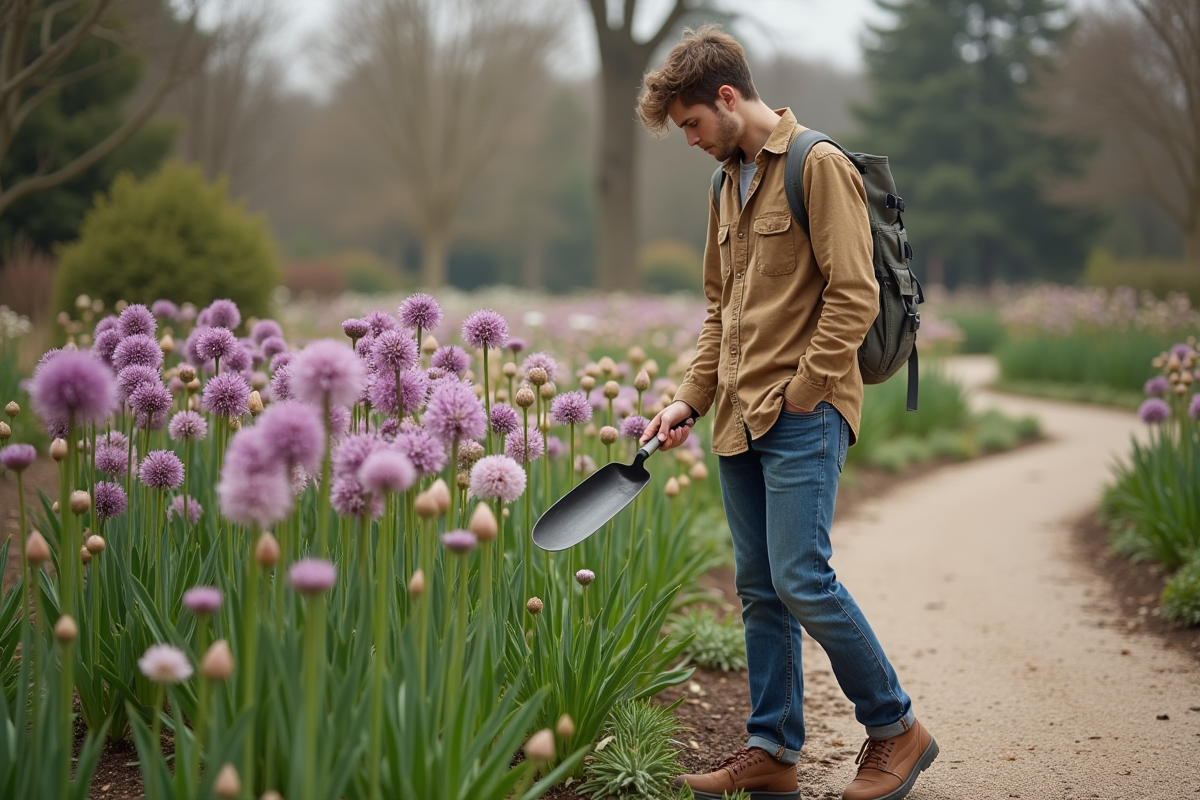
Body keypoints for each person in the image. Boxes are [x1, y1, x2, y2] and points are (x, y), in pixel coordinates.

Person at [636, 25, 938, 800]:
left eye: (694, 124)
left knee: (802, 578)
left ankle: (897, 728)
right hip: (736, 419)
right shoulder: (722, 184)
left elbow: (854, 294)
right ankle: (772, 750)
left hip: (801, 413)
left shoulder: (818, 165)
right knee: (760, 588)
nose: (693, 141)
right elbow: (720, 310)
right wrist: (686, 400)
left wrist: (805, 392)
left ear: (727, 97)